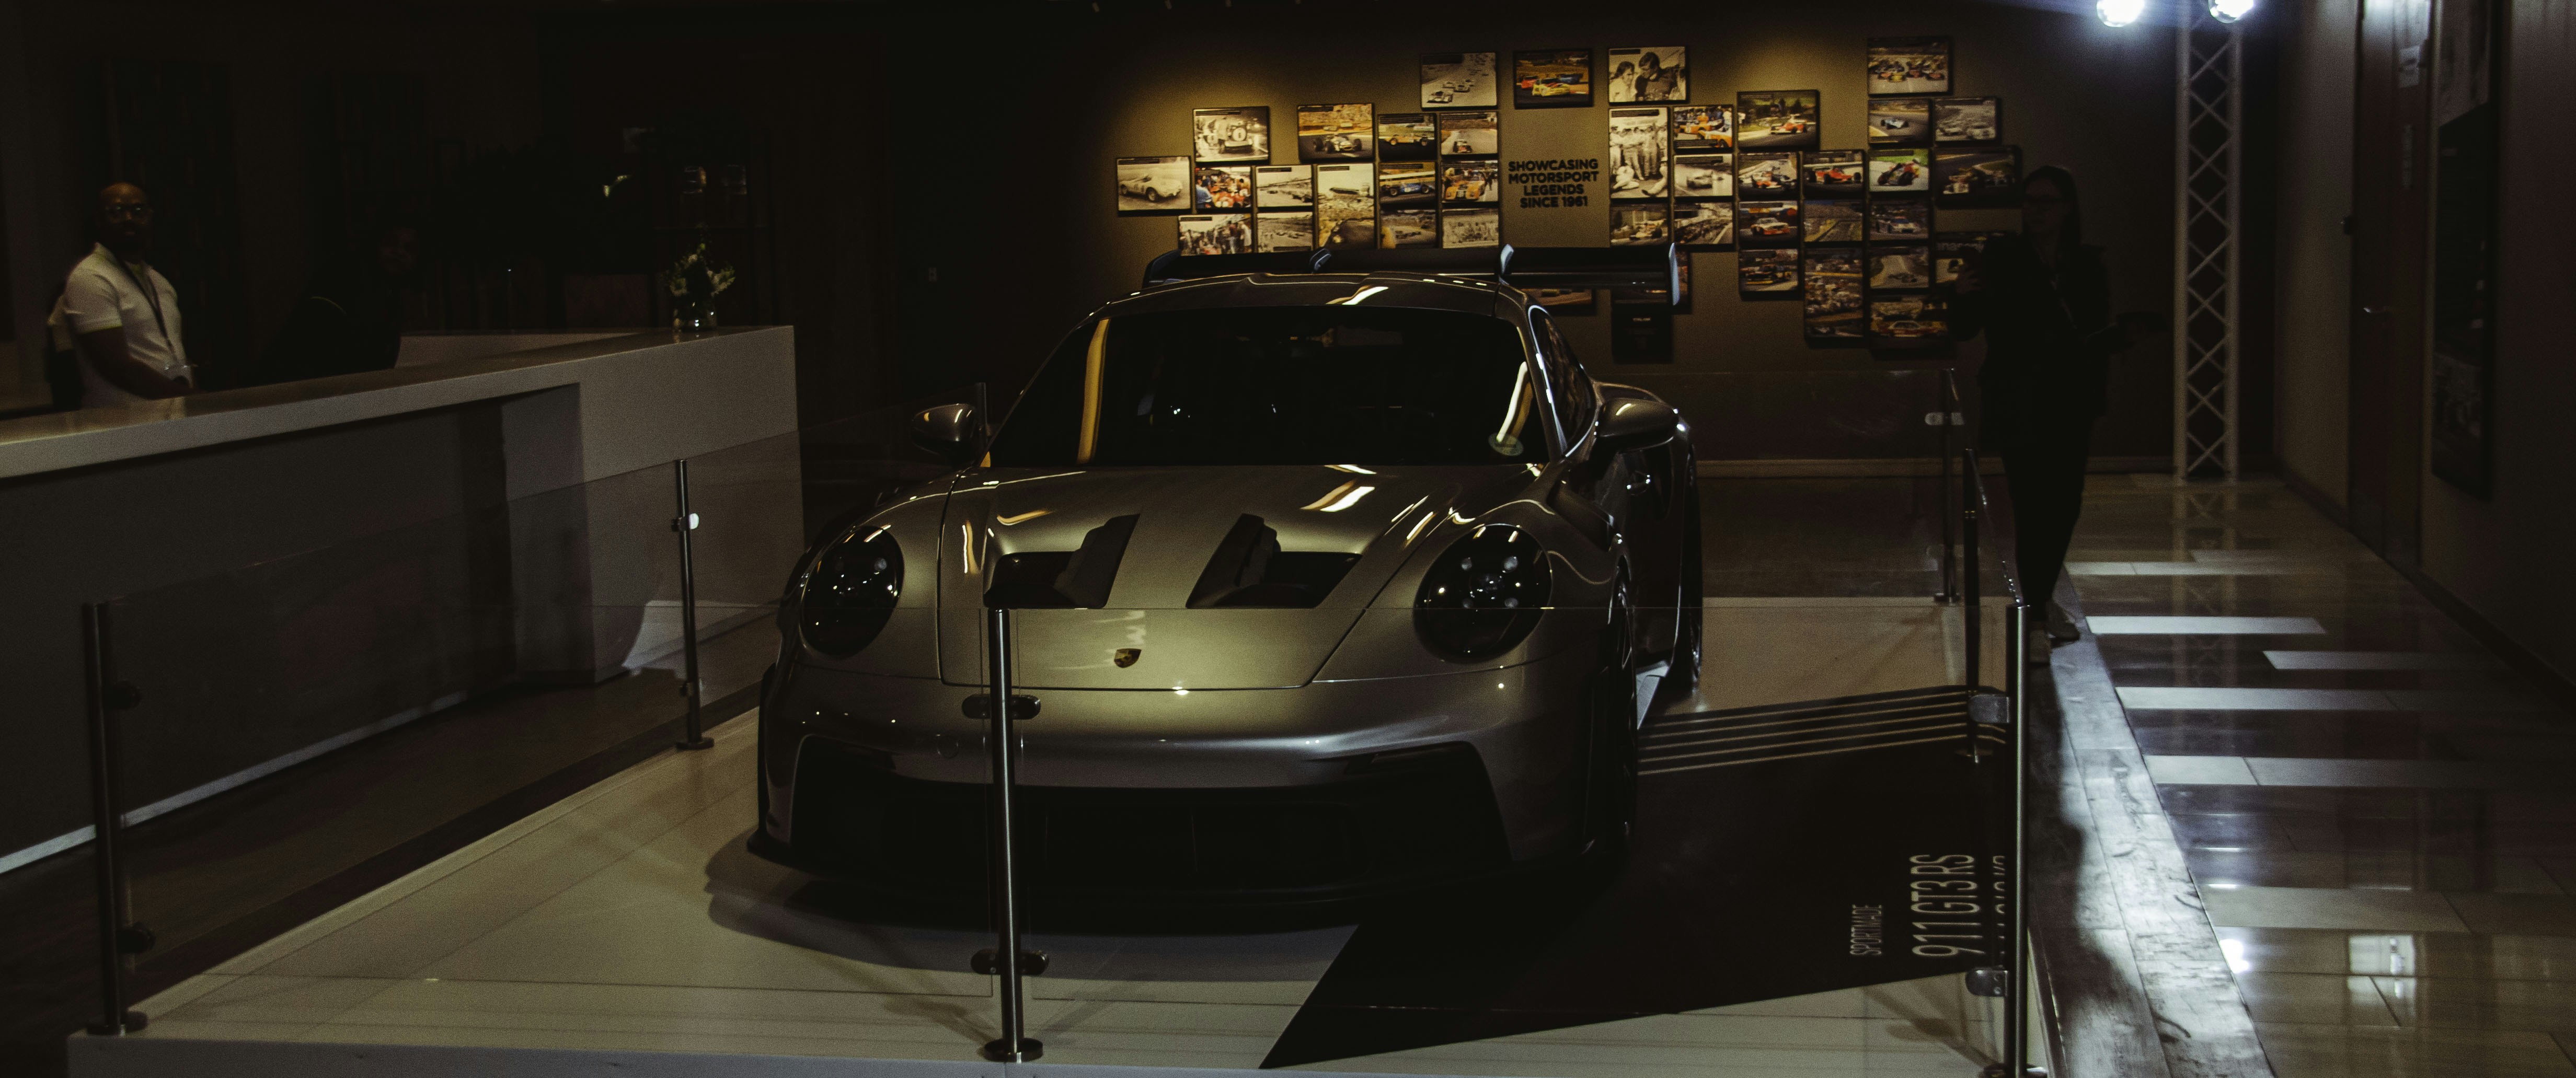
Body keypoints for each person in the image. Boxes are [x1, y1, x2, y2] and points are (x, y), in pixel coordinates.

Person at [1952, 166, 2158, 660]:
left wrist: (2121, 337)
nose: (2035, 210)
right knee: (2031, 505)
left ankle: (2040, 600)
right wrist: (1960, 297)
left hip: (2070, 399)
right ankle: (2038, 616)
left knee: (2064, 504)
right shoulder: (2002, 258)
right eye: (2029, 201)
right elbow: (1965, 327)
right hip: (2019, 397)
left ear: (2067, 207)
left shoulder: (2085, 264)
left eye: (2046, 201)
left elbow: (2089, 335)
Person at [48, 183, 193, 406]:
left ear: (150, 217)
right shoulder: (90, 277)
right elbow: (118, 368)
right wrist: (192, 399)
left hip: (172, 414)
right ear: (99, 221)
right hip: (123, 420)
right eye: (116, 212)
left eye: (138, 211)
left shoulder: (157, 280)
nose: (129, 219)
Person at [256, 219, 418, 385]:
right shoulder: (347, 276)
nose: (399, 252)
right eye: (391, 243)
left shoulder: (393, 296)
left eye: (410, 249)